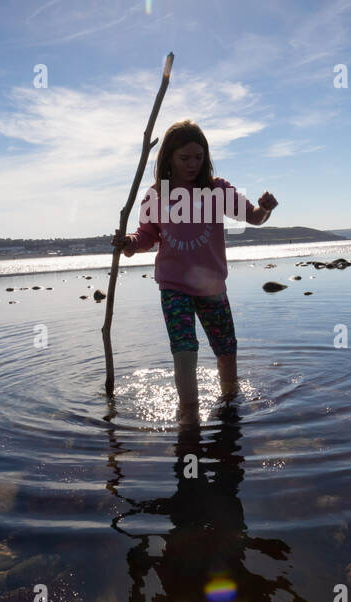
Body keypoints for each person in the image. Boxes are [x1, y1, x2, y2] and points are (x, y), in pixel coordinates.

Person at [112, 120, 277, 414]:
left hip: (212, 286)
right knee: (184, 350)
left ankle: (230, 405)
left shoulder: (217, 190)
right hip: (174, 286)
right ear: (169, 158)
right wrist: (129, 244)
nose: (192, 164)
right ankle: (189, 414)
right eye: (184, 158)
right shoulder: (156, 195)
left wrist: (264, 209)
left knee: (226, 351)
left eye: (198, 158)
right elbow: (147, 235)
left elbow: (252, 217)